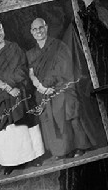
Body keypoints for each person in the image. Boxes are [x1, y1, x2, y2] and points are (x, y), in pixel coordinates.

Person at [26, 17, 104, 160]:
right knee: (45, 111)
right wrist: (39, 86)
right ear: (31, 32)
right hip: (42, 89)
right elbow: (31, 73)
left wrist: (47, 86)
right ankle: (62, 150)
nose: (39, 31)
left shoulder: (59, 46)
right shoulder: (30, 53)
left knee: (67, 105)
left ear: (46, 27)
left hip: (61, 86)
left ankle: (80, 146)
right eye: (35, 29)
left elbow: (63, 70)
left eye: (41, 27)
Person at [0, 19, 44, 171]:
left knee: (26, 124)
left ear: (4, 30)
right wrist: (8, 87)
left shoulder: (13, 46)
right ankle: (10, 163)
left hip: (20, 90)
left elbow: (23, 66)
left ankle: (34, 156)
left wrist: (16, 83)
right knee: (6, 129)